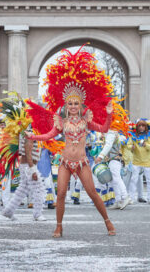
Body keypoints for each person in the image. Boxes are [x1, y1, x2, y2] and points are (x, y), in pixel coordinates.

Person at [26, 47, 124, 237]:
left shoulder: (87, 120)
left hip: (82, 162)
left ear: (81, 105)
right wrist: (33, 137)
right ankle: (59, 225)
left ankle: (108, 221)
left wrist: (110, 114)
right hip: (64, 162)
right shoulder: (61, 121)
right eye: (69, 103)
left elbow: (104, 129)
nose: (72, 106)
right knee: (61, 194)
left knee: (93, 193)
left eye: (75, 103)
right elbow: (48, 136)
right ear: (66, 105)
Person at [126, 119, 150, 204]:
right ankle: (131, 198)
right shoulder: (133, 135)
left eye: (143, 126)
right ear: (137, 127)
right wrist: (131, 147)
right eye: (139, 126)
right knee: (133, 180)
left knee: (149, 180)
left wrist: (145, 144)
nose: (141, 127)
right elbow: (128, 145)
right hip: (136, 161)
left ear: (146, 127)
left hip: (147, 161)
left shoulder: (149, 135)